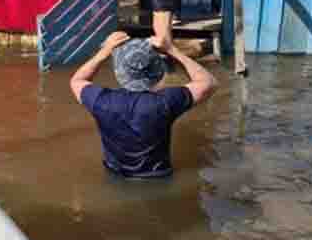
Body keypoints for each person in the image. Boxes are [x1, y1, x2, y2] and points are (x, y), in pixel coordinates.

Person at [70, 31, 217, 179]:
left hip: (115, 176)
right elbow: (208, 82)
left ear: (119, 71)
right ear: (158, 71)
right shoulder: (166, 102)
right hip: (159, 177)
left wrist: (103, 53)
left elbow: (77, 80)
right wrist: (172, 50)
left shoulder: (101, 101)